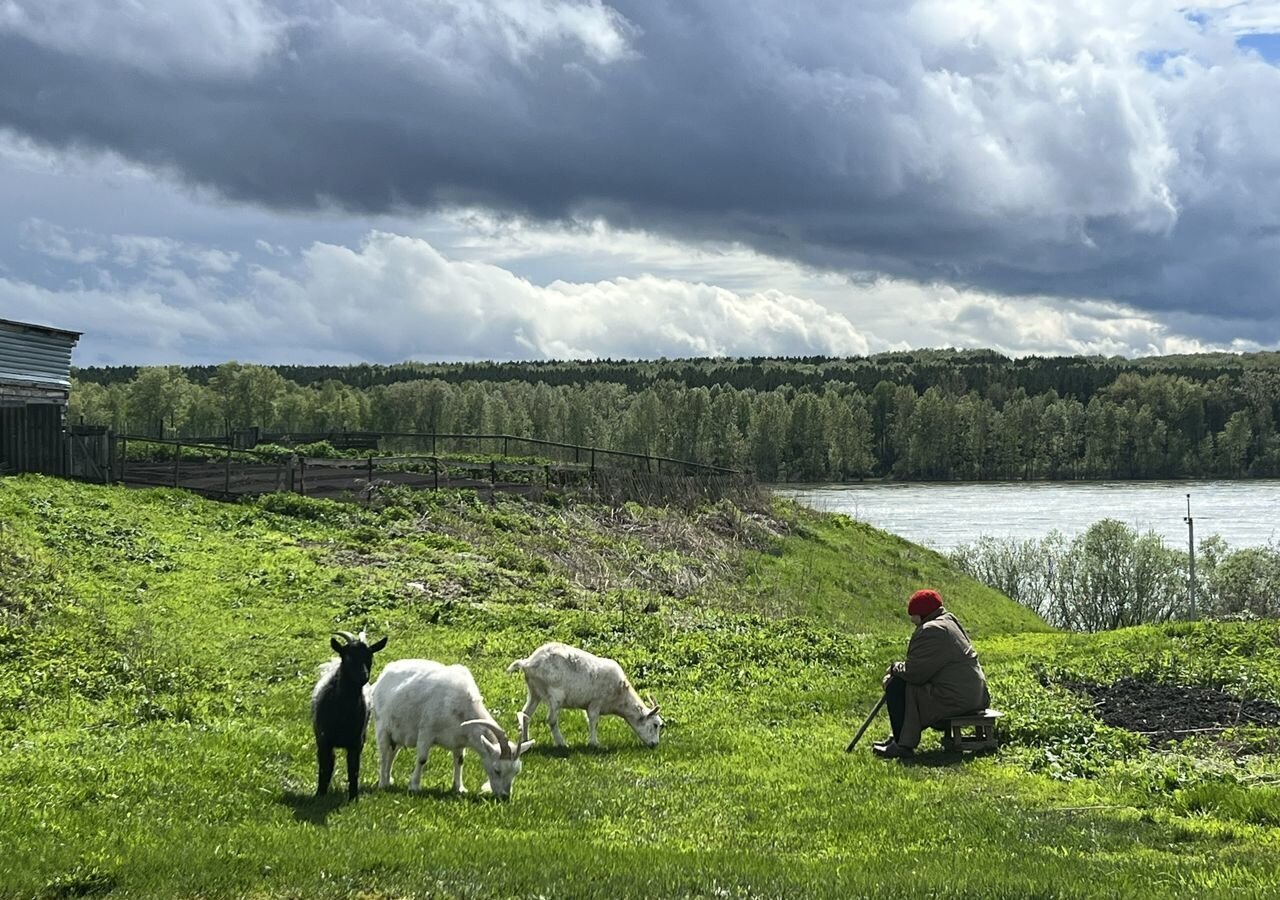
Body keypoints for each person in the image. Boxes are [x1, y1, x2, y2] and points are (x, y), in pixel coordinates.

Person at [873, 588, 990, 759]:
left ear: (921, 614)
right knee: (902, 683)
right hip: (975, 695)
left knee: (897, 686)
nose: (913, 621)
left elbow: (915, 674)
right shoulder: (949, 621)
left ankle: (902, 745)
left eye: (913, 616)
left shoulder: (931, 630)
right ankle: (899, 736)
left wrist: (893, 669)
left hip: (956, 698)